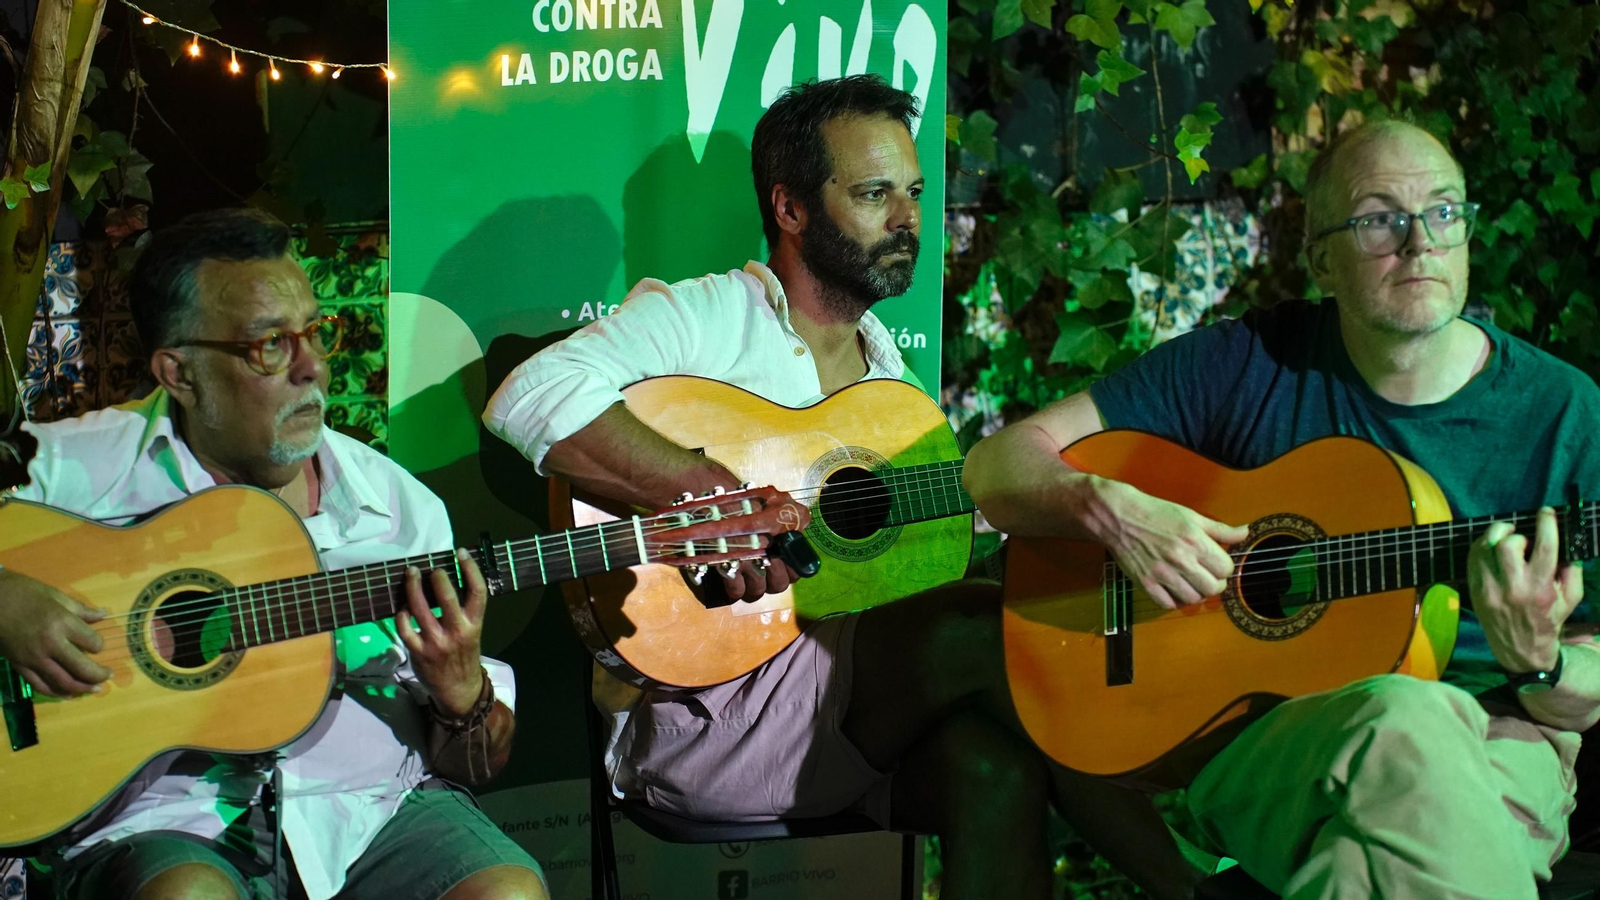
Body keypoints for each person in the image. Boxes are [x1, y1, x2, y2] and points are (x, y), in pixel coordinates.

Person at [484, 75, 1200, 899]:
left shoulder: (889, 378)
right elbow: (528, 394)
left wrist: (1068, 515)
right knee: (985, 630)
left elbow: (919, 565)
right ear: (790, 208)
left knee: (994, 770)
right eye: (873, 194)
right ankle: (1193, 886)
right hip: (705, 721)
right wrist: (713, 494)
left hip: (851, 713)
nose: (907, 219)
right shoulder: (710, 317)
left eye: (914, 193)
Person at [965, 118, 1600, 898]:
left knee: (1380, 826)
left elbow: (1586, 692)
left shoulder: (1564, 413)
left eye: (1443, 211)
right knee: (1406, 721)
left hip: (1504, 740)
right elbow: (994, 467)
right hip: (1270, 738)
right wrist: (1115, 513)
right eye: (1379, 219)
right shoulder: (1249, 363)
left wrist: (1541, 661)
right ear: (1321, 260)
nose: (1420, 243)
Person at [0, 208, 547, 900]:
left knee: (506, 891)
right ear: (179, 372)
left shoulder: (397, 507)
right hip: (163, 822)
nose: (313, 368)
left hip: (370, 812)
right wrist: (7, 599)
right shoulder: (72, 466)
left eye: (315, 333)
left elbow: (477, 764)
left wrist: (462, 691)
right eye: (270, 346)